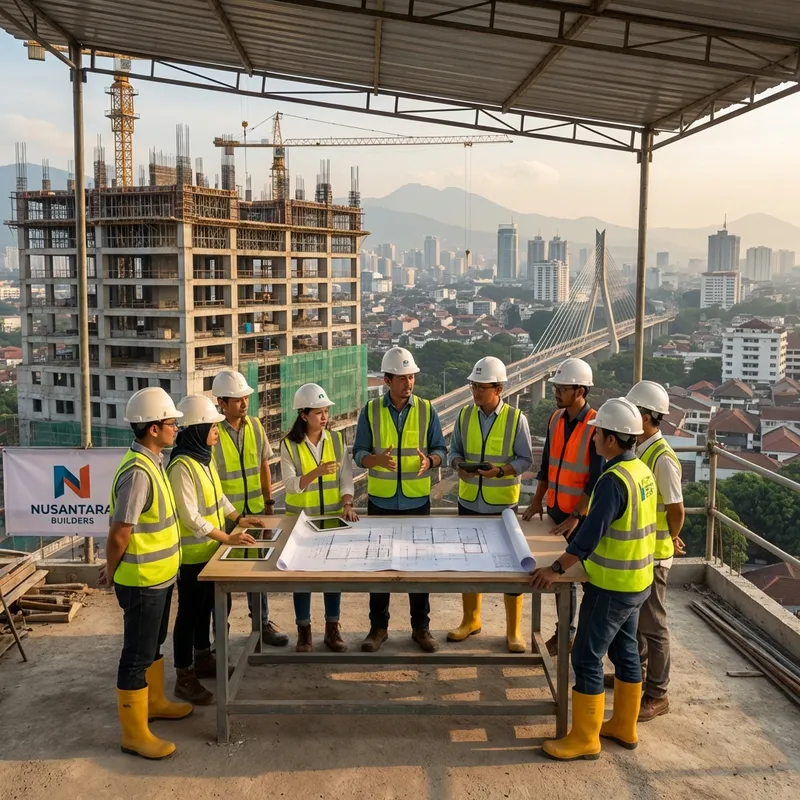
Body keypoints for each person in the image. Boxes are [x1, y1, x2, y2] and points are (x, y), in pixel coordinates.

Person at [530, 398, 657, 761]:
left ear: (612, 440)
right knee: (625, 651)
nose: (594, 439)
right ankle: (624, 726)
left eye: (598, 434)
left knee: (586, 656)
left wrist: (554, 570)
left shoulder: (612, 481)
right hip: (637, 581)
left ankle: (585, 738)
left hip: (611, 586)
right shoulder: (640, 471)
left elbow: (588, 537)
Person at [99, 387, 192, 760]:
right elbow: (120, 532)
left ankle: (154, 704)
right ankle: (134, 734)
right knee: (136, 656)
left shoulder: (153, 463)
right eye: (171, 423)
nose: (175, 428)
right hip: (142, 582)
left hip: (159, 578)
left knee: (152, 646)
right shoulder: (138, 472)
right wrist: (111, 570)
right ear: (153, 429)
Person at [166, 394, 263, 705]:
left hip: (210, 554)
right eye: (212, 427)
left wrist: (238, 518)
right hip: (193, 557)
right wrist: (227, 537)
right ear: (197, 429)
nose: (217, 431)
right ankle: (184, 676)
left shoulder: (203, 459)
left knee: (206, 609)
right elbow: (190, 516)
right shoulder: (182, 466)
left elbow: (218, 497)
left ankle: (203, 659)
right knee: (188, 615)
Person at [353, 346, 447, 653]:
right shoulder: (370, 411)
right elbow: (359, 453)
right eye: (402, 378)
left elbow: (440, 450)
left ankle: (421, 628)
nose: (409, 383)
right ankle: (378, 628)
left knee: (418, 569)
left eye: (412, 377)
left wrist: (430, 461)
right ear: (387, 380)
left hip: (416, 501)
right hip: (381, 501)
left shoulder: (427, 410)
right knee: (380, 568)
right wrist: (375, 460)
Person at [447, 356, 533, 653]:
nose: (476, 392)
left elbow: (525, 459)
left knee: (511, 568)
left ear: (498, 389)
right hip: (469, 501)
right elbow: (454, 451)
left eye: (481, 387)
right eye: (473, 386)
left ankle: (513, 631)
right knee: (469, 565)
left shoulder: (516, 419)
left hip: (502, 506)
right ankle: (471, 619)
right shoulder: (464, 415)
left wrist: (500, 471)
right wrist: (458, 465)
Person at [522, 357, 604, 656]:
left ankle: (583, 639)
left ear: (580, 391)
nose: (556, 393)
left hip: (580, 517)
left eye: (562, 388)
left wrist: (577, 516)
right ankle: (565, 633)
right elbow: (547, 463)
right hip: (557, 510)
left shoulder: (595, 425)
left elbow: (595, 479)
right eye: (556, 387)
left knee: (585, 580)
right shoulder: (555, 419)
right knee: (561, 578)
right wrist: (536, 500)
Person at [614, 380, 685, 721]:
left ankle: (658, 693)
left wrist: (673, 536)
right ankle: (636, 678)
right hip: (641, 553)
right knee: (637, 623)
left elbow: (675, 509)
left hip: (654, 556)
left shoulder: (662, 458)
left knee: (654, 625)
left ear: (645, 417)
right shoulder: (641, 449)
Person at [211, 368, 288, 647]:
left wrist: (269, 503)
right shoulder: (213, 432)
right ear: (222, 402)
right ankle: (221, 632)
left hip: (254, 512)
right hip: (225, 517)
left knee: (257, 570)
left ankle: (262, 624)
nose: (244, 403)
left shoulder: (255, 426)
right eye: (237, 399)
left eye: (245, 398)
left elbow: (264, 466)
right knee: (223, 576)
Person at [281, 382, 359, 653]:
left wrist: (347, 503)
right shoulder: (289, 445)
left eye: (326, 411)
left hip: (331, 520)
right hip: (301, 524)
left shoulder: (336, 440)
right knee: (301, 580)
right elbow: (290, 485)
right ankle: (304, 632)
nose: (325, 417)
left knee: (332, 577)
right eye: (318, 412)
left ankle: (332, 629)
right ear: (304, 415)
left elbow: (345, 478)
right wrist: (316, 472)